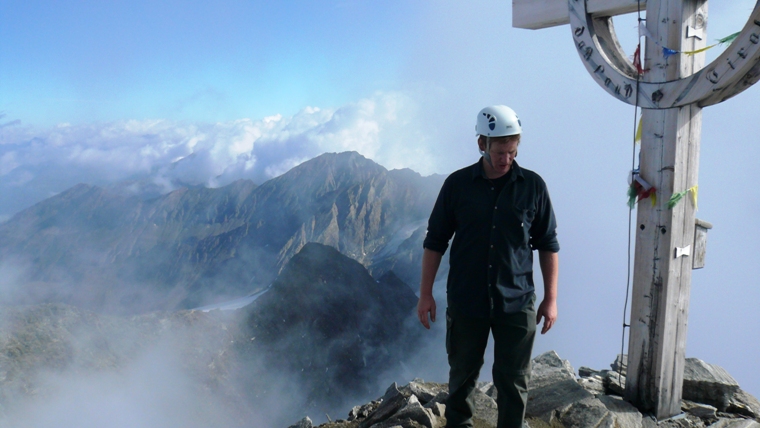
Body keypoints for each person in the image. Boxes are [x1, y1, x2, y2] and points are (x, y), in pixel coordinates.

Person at [417, 105, 559, 428]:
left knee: (514, 382)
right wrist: (425, 294)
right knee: (462, 380)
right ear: (482, 144)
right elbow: (435, 241)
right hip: (468, 303)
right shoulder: (457, 186)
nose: (506, 159)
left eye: (512, 151)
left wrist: (551, 299)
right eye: (499, 151)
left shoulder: (533, 187)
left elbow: (548, 244)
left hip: (517, 302)